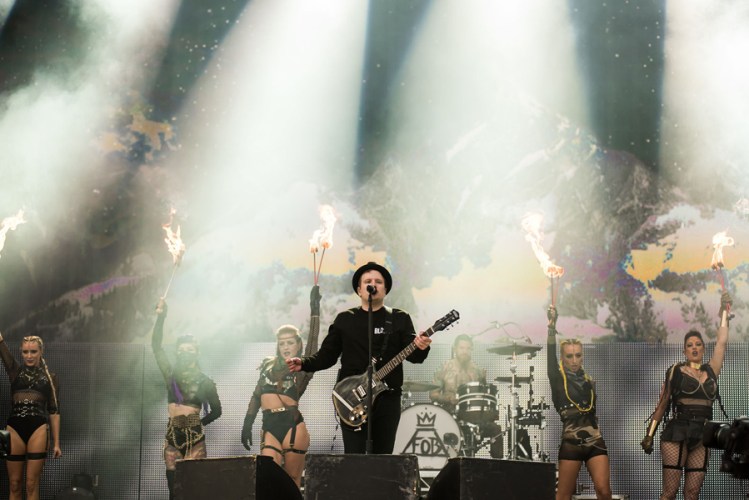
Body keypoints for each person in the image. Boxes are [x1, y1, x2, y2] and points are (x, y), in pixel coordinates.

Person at [287, 261, 432, 454]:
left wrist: (421, 347)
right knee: (354, 456)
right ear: (359, 289)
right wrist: (304, 363)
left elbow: (415, 357)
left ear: (385, 289)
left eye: (378, 282)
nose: (373, 285)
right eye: (368, 281)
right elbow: (327, 356)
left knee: (383, 457)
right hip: (352, 397)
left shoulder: (399, 318)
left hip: (387, 399)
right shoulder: (345, 319)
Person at [641, 292, 731, 500]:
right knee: (669, 493)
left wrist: (725, 312)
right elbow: (663, 403)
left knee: (692, 493)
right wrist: (649, 434)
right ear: (684, 351)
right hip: (678, 431)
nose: (694, 348)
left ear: (703, 348)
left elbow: (721, 342)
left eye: (698, 344)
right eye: (690, 345)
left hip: (702, 433)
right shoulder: (676, 371)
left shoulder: (711, 371)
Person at [152, 299, 222, 500]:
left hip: (195, 438)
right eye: (181, 350)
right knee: (174, 487)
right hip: (173, 435)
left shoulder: (205, 382)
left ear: (197, 353)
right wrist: (161, 317)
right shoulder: (170, 375)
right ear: (177, 352)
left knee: (194, 487)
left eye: (189, 350)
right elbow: (156, 347)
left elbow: (217, 410)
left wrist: (199, 422)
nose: (185, 353)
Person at [547, 306, 612, 500]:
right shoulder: (558, 380)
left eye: (578, 355)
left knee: (604, 491)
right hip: (571, 442)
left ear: (582, 356)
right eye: (569, 356)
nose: (574, 360)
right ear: (562, 358)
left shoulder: (589, 381)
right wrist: (551, 328)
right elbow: (550, 358)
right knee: (563, 496)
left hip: (594, 441)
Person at [241, 323, 316, 488]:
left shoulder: (303, 368)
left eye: (290, 342)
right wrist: (247, 423)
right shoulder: (268, 365)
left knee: (292, 481)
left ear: (298, 344)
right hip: (269, 425)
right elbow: (256, 396)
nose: (286, 347)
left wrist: (315, 314)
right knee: (269, 478)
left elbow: (312, 345)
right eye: (282, 343)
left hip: (292, 426)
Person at [0, 332, 61, 500]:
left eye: (33, 351)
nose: (29, 356)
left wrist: (57, 443)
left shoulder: (50, 378)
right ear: (21, 352)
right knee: (13, 484)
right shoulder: (14, 371)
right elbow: (2, 348)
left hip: (38, 429)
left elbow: (54, 410)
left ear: (41, 352)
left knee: (32, 484)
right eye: (25, 352)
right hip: (10, 430)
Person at [429, 334, 503, 458]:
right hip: (449, 416)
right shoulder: (444, 368)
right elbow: (433, 394)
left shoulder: (477, 370)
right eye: (462, 348)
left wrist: (484, 382)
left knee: (495, 429)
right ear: (455, 349)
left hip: (473, 418)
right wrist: (448, 398)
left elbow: (483, 397)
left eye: (468, 348)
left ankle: (497, 467)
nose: (465, 351)